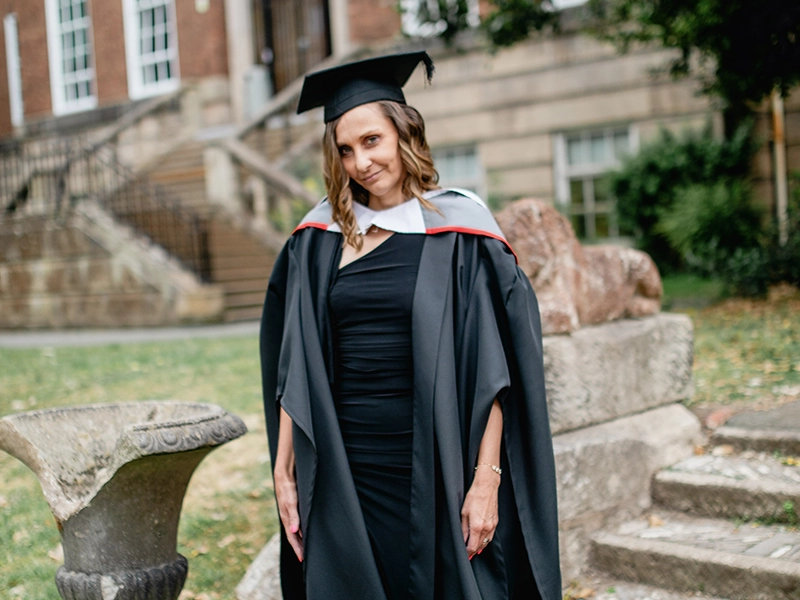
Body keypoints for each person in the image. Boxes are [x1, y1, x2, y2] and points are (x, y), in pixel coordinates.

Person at [260, 51, 560, 600]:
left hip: (433, 450)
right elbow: (294, 359)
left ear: (404, 133)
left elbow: (492, 369)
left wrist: (486, 478)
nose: (360, 163)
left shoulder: (462, 232)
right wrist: (285, 469)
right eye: (345, 150)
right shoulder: (319, 238)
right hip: (343, 459)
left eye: (371, 141)